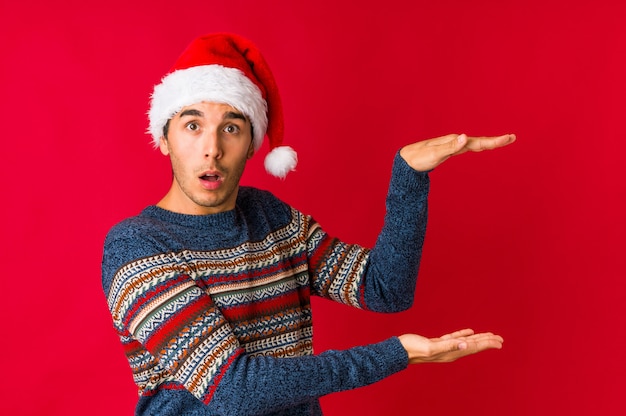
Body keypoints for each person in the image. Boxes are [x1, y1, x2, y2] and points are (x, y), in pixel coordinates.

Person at [101, 33, 514, 416]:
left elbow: (385, 289)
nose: (212, 149)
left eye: (231, 128)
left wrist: (408, 178)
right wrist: (396, 353)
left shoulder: (269, 216)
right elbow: (234, 388)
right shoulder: (136, 245)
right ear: (163, 137)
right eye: (193, 126)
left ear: (251, 144)